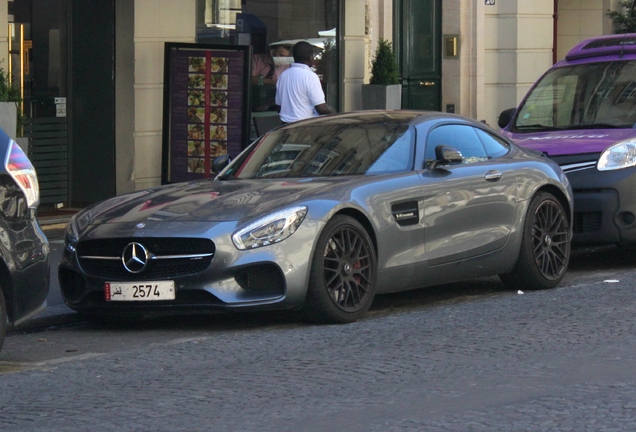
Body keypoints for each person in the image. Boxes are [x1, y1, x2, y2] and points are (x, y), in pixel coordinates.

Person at [275, 41, 335, 123]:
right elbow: (321, 109)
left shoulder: (283, 76)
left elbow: (278, 106)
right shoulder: (310, 76)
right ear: (311, 57)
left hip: (285, 127)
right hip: (304, 127)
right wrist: (331, 110)